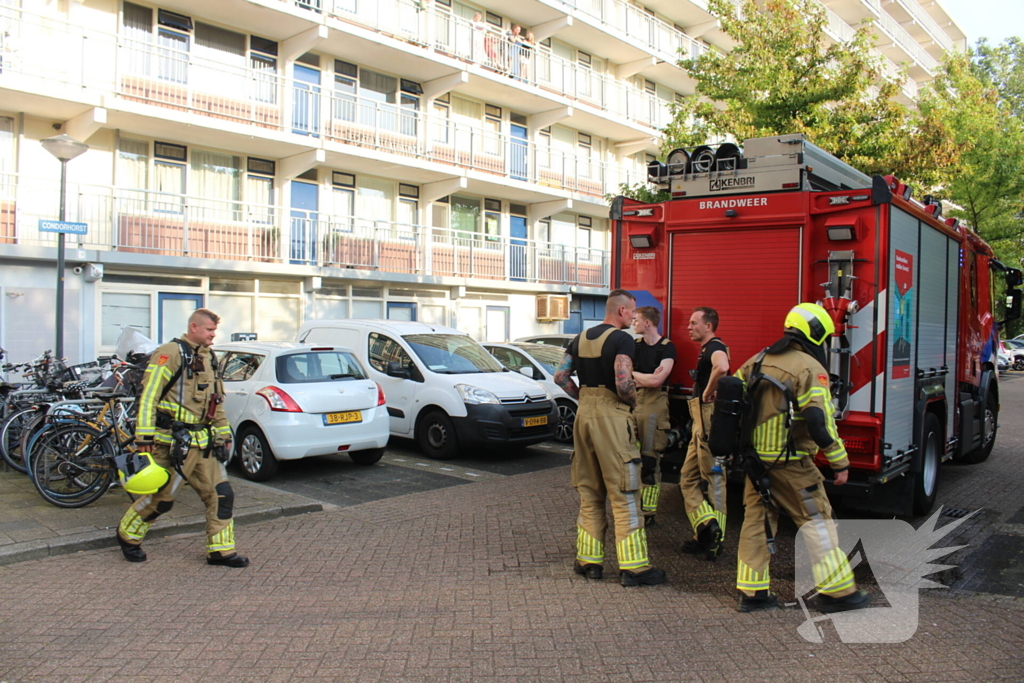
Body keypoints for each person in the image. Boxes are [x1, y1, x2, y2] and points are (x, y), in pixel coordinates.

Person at [732, 303, 871, 613]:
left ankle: (752, 593)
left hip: (756, 462)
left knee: (757, 522)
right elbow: (819, 421)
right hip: (792, 463)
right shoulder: (810, 367)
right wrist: (840, 462)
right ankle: (838, 593)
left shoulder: (757, 360)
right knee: (818, 521)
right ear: (816, 332)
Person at [116, 308, 247, 568]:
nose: (213, 335)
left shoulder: (210, 357)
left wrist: (223, 434)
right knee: (162, 500)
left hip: (204, 445)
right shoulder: (171, 354)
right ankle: (127, 536)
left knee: (221, 495)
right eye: (209, 330)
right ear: (194, 328)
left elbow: (215, 402)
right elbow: (148, 396)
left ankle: (221, 552)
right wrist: (143, 437)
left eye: (214, 330)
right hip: (173, 445)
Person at [555, 290, 666, 587]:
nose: (633, 317)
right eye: (631, 312)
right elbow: (622, 380)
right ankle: (634, 568)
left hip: (584, 416)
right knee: (624, 490)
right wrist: (631, 403)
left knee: (590, 492)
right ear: (620, 311)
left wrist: (584, 398)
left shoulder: (578, 339)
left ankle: (589, 561)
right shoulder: (622, 339)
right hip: (612, 417)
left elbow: (561, 377)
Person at [680, 307, 730, 560]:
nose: (689, 327)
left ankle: (715, 538)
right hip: (701, 421)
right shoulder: (707, 348)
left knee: (714, 481)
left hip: (708, 418)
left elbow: (722, 367)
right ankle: (705, 528)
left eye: (694, 323)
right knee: (687, 478)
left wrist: (707, 391)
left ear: (708, 326)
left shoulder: (714, 347)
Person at [631, 306, 676, 527]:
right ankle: (634, 508)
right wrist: (644, 377)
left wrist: (634, 376)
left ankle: (648, 513)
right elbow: (622, 375)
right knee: (630, 459)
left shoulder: (667, 348)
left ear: (647, 323)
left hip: (655, 406)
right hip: (634, 403)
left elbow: (657, 382)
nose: (633, 323)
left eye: (636, 319)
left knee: (650, 462)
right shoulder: (633, 346)